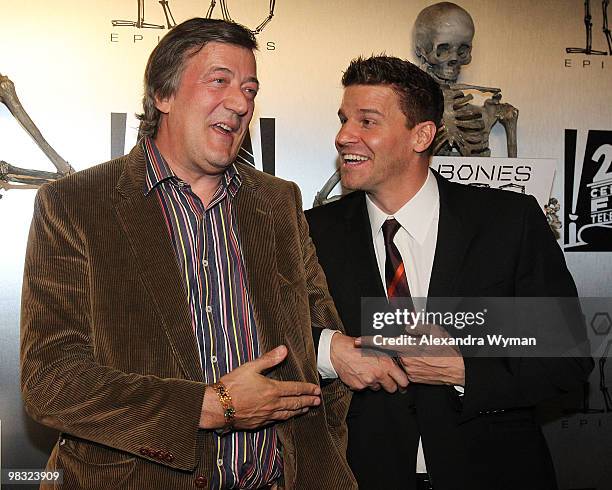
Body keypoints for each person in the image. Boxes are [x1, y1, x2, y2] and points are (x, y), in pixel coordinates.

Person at [20, 18, 356, 490]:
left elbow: (313, 328)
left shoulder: (278, 202)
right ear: (164, 94)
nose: (240, 103)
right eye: (219, 81)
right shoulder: (75, 204)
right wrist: (212, 405)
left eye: (250, 89)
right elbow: (52, 381)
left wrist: (339, 351)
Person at [305, 55, 593, 490]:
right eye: (345, 119)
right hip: (362, 476)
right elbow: (269, 334)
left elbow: (566, 360)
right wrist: (331, 350)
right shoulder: (311, 232)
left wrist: (463, 371)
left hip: (493, 473)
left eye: (367, 122)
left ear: (421, 135)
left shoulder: (507, 222)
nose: (344, 136)